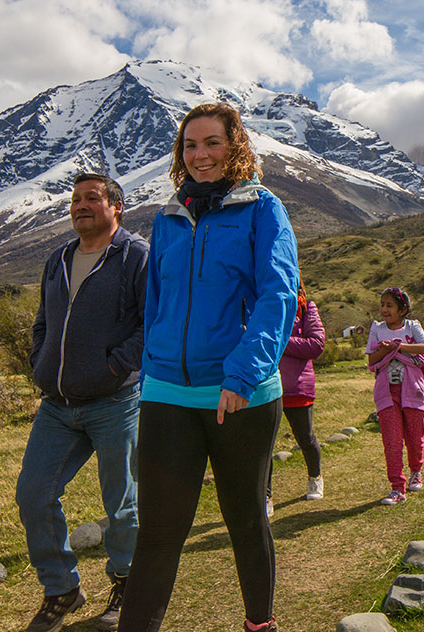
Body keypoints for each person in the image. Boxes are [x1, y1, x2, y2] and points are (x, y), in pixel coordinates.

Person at [119, 103, 299, 632]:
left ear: (235, 144)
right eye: (190, 145)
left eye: (212, 143)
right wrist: (151, 365)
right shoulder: (168, 216)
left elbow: (276, 295)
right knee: (157, 533)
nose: (200, 155)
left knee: (244, 521)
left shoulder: (262, 208)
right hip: (167, 392)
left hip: (239, 393)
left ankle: (259, 624)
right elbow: (157, 301)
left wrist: (243, 373)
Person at [17, 173, 149, 632]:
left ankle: (127, 586)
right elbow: (43, 321)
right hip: (57, 404)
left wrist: (114, 367)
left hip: (116, 400)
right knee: (33, 494)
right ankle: (62, 588)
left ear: (117, 206)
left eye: (92, 198)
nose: (81, 206)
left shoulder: (137, 255)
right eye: (75, 199)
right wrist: (40, 362)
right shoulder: (58, 257)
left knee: (122, 503)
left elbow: (151, 324)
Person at [366, 287, 424, 505]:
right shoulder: (376, 329)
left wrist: (399, 346)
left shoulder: (413, 327)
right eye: (382, 304)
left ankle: (416, 471)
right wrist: (384, 351)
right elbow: (372, 361)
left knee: (414, 436)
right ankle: (397, 488)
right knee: (392, 441)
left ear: (402, 309)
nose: (384, 309)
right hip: (387, 391)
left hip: (412, 389)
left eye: (389, 305)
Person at [269, 284, 326, 514]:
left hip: (298, 387)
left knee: (305, 437)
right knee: (264, 445)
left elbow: (316, 345)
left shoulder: (306, 308)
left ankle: (315, 477)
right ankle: (265, 496)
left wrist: (280, 342)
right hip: (268, 387)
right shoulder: (265, 304)